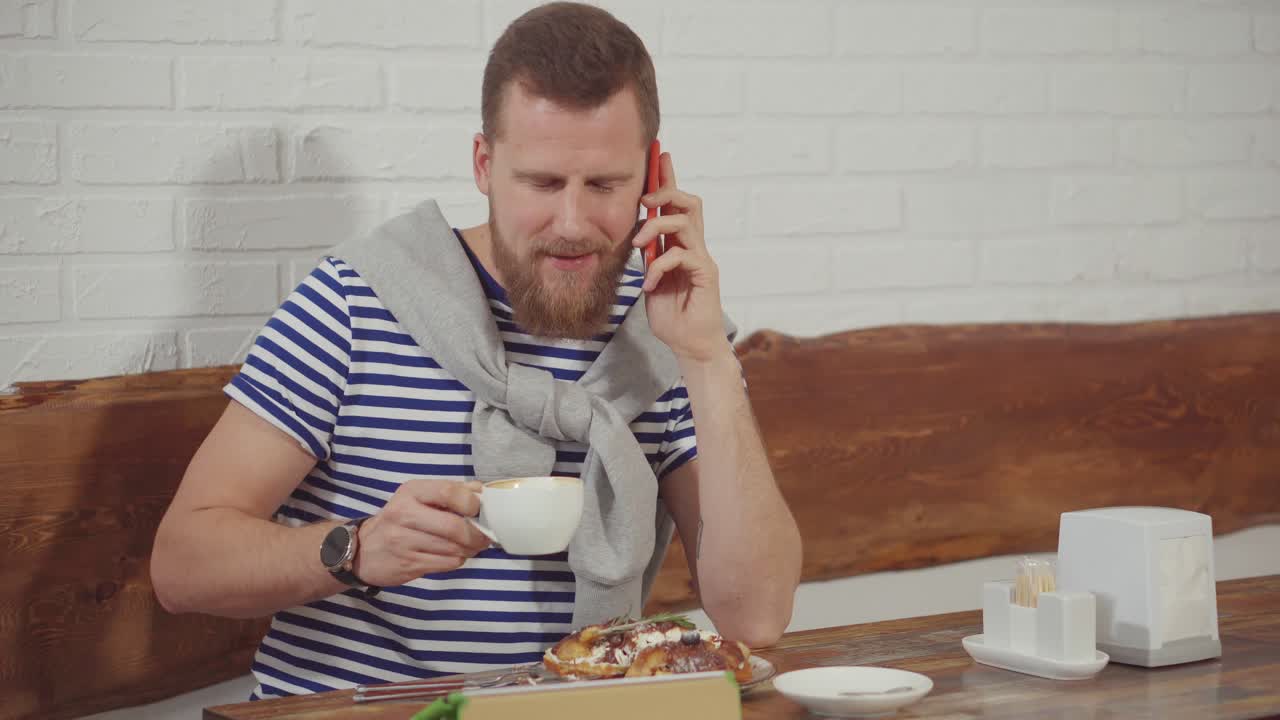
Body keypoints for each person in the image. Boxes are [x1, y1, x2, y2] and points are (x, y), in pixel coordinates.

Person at [151, 1, 801, 700]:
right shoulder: (357, 300)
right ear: (484, 164)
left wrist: (706, 359)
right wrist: (357, 549)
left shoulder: (664, 330)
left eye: (606, 185)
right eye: (543, 183)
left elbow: (755, 615)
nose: (573, 224)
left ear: (652, 177)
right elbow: (183, 564)